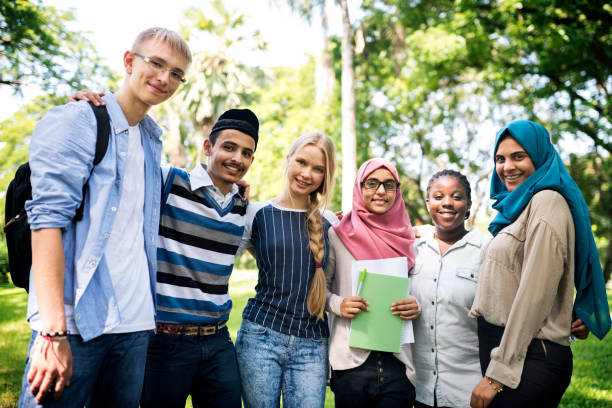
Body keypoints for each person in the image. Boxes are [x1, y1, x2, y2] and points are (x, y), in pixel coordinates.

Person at [19, 27, 192, 408]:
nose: (166, 78)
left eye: (177, 73)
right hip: (74, 325)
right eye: (157, 63)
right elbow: (46, 222)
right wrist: (52, 333)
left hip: (134, 326)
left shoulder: (150, 141)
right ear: (129, 62)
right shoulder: (79, 120)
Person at [469, 120, 611, 407]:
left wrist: (497, 375)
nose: (507, 166)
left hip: (529, 358)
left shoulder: (547, 201)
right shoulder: (521, 208)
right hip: (512, 351)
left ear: (540, 156)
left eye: (518, 156)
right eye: (500, 158)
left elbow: (534, 294)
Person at [139, 109, 258, 408]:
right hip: (165, 342)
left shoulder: (242, 208)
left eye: (246, 153)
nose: (237, 158)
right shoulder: (169, 181)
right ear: (208, 147)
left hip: (218, 342)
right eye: (229, 147)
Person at [235, 131, 337, 408]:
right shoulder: (256, 213)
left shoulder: (331, 223)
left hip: (312, 344)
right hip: (260, 337)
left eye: (318, 169)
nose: (307, 174)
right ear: (288, 159)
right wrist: (229, 191)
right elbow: (217, 250)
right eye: (302, 162)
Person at [325, 158, 419, 407]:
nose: (380, 191)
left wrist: (415, 305)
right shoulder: (338, 235)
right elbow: (318, 290)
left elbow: (421, 291)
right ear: (360, 186)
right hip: (350, 361)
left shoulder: (409, 238)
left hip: (398, 363)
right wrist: (338, 303)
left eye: (389, 185)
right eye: (372, 183)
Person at [411, 170, 487, 408]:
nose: (446, 203)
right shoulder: (410, 247)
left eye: (456, 196)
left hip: (468, 390)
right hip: (417, 389)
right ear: (428, 203)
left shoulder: (488, 250)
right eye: (438, 196)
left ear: (469, 204)